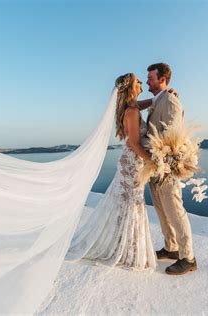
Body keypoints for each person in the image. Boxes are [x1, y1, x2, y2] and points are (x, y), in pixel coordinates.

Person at [66, 73, 156, 271]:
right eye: (138, 82)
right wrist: (153, 161)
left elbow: (142, 104)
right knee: (132, 204)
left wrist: (159, 97)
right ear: (131, 87)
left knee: (129, 204)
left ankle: (123, 246)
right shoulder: (131, 112)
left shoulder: (132, 107)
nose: (141, 83)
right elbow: (133, 143)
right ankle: (127, 250)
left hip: (133, 163)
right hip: (132, 163)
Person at [136, 63, 197, 275]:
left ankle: (188, 257)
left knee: (175, 211)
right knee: (162, 210)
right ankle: (171, 248)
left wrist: (141, 142)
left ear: (162, 79)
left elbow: (172, 136)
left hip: (167, 168)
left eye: (150, 78)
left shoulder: (170, 100)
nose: (147, 81)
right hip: (155, 167)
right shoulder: (158, 100)